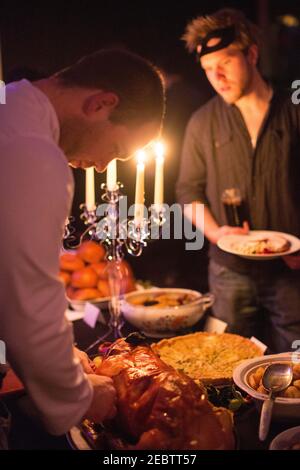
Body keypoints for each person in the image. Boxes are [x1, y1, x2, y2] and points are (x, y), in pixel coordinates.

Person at [0, 48, 165, 438]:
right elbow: (27, 303)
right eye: (117, 151)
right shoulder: (33, 153)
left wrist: (57, 359)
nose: (106, 167)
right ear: (101, 104)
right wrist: (78, 395)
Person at [176, 9, 300, 353]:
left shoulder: (293, 110)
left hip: (291, 273)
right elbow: (188, 190)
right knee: (225, 359)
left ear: (252, 54)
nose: (216, 76)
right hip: (229, 271)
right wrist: (215, 232)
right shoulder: (202, 123)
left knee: (294, 364)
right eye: (207, 69)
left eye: (225, 63)